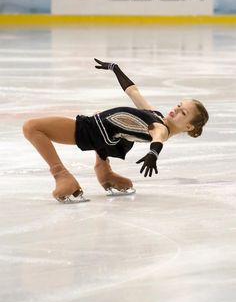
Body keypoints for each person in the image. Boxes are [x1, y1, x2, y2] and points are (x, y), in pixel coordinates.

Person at [22, 58, 209, 202]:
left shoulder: (160, 128)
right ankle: (105, 173)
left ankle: (62, 176)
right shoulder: (156, 115)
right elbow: (133, 92)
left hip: (91, 130)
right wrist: (115, 69)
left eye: (183, 112)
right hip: (107, 134)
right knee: (115, 128)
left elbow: (158, 137)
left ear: (189, 126)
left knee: (31, 127)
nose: (175, 109)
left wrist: (153, 153)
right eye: (178, 105)